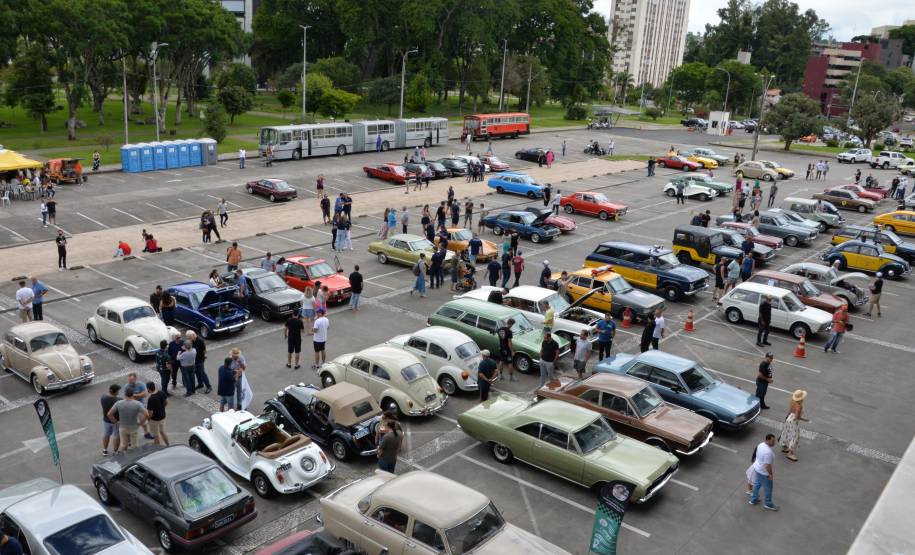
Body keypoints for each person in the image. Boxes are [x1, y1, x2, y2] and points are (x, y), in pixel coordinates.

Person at [107, 385, 148, 452]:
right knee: (134, 446)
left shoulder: (118, 403)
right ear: (133, 395)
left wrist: (116, 422)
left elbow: (109, 414)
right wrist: (141, 423)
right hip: (134, 427)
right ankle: (134, 457)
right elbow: (146, 414)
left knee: (124, 445)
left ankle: (123, 457)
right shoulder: (137, 404)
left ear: (125, 394)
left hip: (123, 427)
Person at [748, 433, 779, 511]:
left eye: (774, 440)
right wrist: (770, 474)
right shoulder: (768, 452)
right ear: (767, 440)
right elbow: (767, 466)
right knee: (768, 488)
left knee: (757, 484)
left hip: (757, 469)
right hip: (764, 473)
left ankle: (753, 499)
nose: (774, 442)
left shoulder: (761, 444)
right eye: (772, 441)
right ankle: (768, 504)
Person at [778, 390, 808, 462]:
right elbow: (797, 417)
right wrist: (805, 420)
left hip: (789, 419)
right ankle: (790, 453)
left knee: (787, 433)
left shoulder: (792, 402)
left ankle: (785, 447)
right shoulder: (799, 406)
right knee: (795, 436)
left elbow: (790, 411)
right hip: (793, 421)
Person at [146, 382, 169, 446]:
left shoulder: (151, 399)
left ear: (148, 389)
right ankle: (168, 445)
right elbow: (167, 402)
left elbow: (150, 413)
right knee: (162, 432)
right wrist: (162, 408)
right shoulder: (162, 393)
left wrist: (148, 419)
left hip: (154, 420)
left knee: (156, 435)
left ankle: (157, 449)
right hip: (162, 417)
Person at [100, 384, 122, 455]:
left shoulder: (103, 398)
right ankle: (115, 451)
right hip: (116, 421)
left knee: (106, 434)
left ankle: (104, 450)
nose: (118, 392)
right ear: (115, 392)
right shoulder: (119, 400)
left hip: (106, 420)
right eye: (118, 391)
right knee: (116, 435)